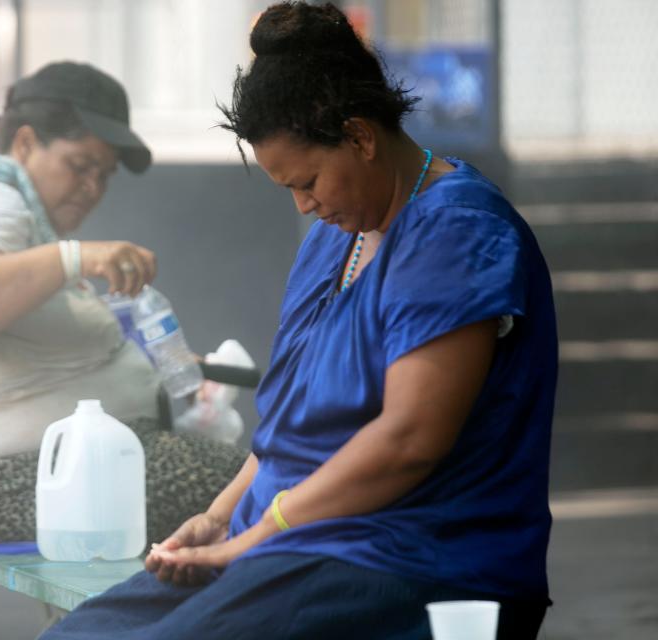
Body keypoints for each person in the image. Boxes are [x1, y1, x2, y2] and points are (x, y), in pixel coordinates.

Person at [40, 4, 556, 639]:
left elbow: (408, 442)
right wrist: (221, 518)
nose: (304, 203)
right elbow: (286, 431)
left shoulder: (456, 233)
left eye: (308, 179)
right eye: (289, 188)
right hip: (288, 547)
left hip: (408, 559)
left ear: (361, 136)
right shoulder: (331, 240)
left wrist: (258, 535)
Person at [0, 61, 248, 554]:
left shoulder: (1, 210)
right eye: (80, 165)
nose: (93, 188)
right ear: (23, 144)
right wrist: (76, 257)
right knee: (241, 486)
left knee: (226, 486)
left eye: (105, 175)